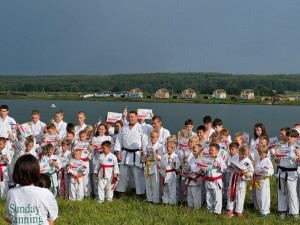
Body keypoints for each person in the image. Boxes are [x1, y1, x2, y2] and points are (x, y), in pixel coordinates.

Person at [5, 154, 58, 224]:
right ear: (36, 172)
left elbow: (11, 216)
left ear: (16, 172)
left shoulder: (11, 193)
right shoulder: (46, 193)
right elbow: (52, 217)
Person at [114, 111, 148, 199]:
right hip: (125, 153)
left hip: (136, 154)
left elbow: (144, 141)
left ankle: (140, 194)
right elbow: (119, 140)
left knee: (138, 175)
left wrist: (144, 154)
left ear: (137, 117)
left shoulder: (141, 128)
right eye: (129, 117)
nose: (130, 118)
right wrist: (118, 151)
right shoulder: (124, 128)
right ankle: (121, 192)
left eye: (132, 117)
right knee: (122, 174)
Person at [275, 129, 300, 219]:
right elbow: (278, 161)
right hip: (281, 172)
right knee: (282, 192)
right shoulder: (282, 147)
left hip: (292, 172)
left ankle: (294, 213)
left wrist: (298, 156)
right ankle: (282, 211)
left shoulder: (298, 148)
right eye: (289, 135)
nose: (289, 138)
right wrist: (276, 158)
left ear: (296, 138)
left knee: (292, 193)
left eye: (292, 136)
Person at [226, 145, 254, 217]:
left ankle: (239, 211)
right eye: (242, 154)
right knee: (231, 192)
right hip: (233, 178)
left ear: (248, 153)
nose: (244, 156)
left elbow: (251, 170)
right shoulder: (235, 157)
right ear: (239, 152)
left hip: (241, 179)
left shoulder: (248, 161)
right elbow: (230, 166)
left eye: (245, 154)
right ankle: (230, 209)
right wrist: (230, 167)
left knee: (240, 195)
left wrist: (249, 174)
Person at [200, 143, 226, 214]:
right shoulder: (207, 160)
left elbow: (225, 169)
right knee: (208, 197)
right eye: (210, 150)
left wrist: (220, 166)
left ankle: (217, 212)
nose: (210, 151)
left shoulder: (220, 160)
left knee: (217, 198)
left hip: (216, 181)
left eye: (212, 150)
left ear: (217, 151)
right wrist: (203, 170)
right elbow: (205, 170)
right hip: (208, 181)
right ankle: (210, 210)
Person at [143, 129, 163, 204]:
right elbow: (145, 155)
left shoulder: (160, 146)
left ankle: (156, 200)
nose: (152, 138)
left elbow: (161, 158)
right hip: (148, 165)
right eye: (151, 137)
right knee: (148, 184)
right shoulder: (148, 145)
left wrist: (156, 155)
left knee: (155, 184)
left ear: (158, 137)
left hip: (155, 167)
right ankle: (149, 199)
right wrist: (144, 156)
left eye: (154, 137)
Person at [254, 145, 274, 217]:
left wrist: (266, 171)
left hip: (264, 180)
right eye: (259, 153)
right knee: (258, 195)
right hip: (257, 180)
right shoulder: (258, 160)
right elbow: (255, 169)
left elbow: (271, 171)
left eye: (262, 154)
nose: (260, 155)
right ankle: (260, 209)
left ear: (266, 153)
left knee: (264, 196)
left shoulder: (268, 160)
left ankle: (265, 211)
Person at [185, 144, 203, 209]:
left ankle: (197, 208)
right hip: (190, 178)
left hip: (196, 179)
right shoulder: (191, 159)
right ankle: (190, 206)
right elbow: (189, 168)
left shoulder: (202, 159)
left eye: (195, 151)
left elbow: (203, 169)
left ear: (200, 151)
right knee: (189, 194)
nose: (194, 152)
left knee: (196, 195)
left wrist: (196, 173)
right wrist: (185, 172)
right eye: (193, 151)